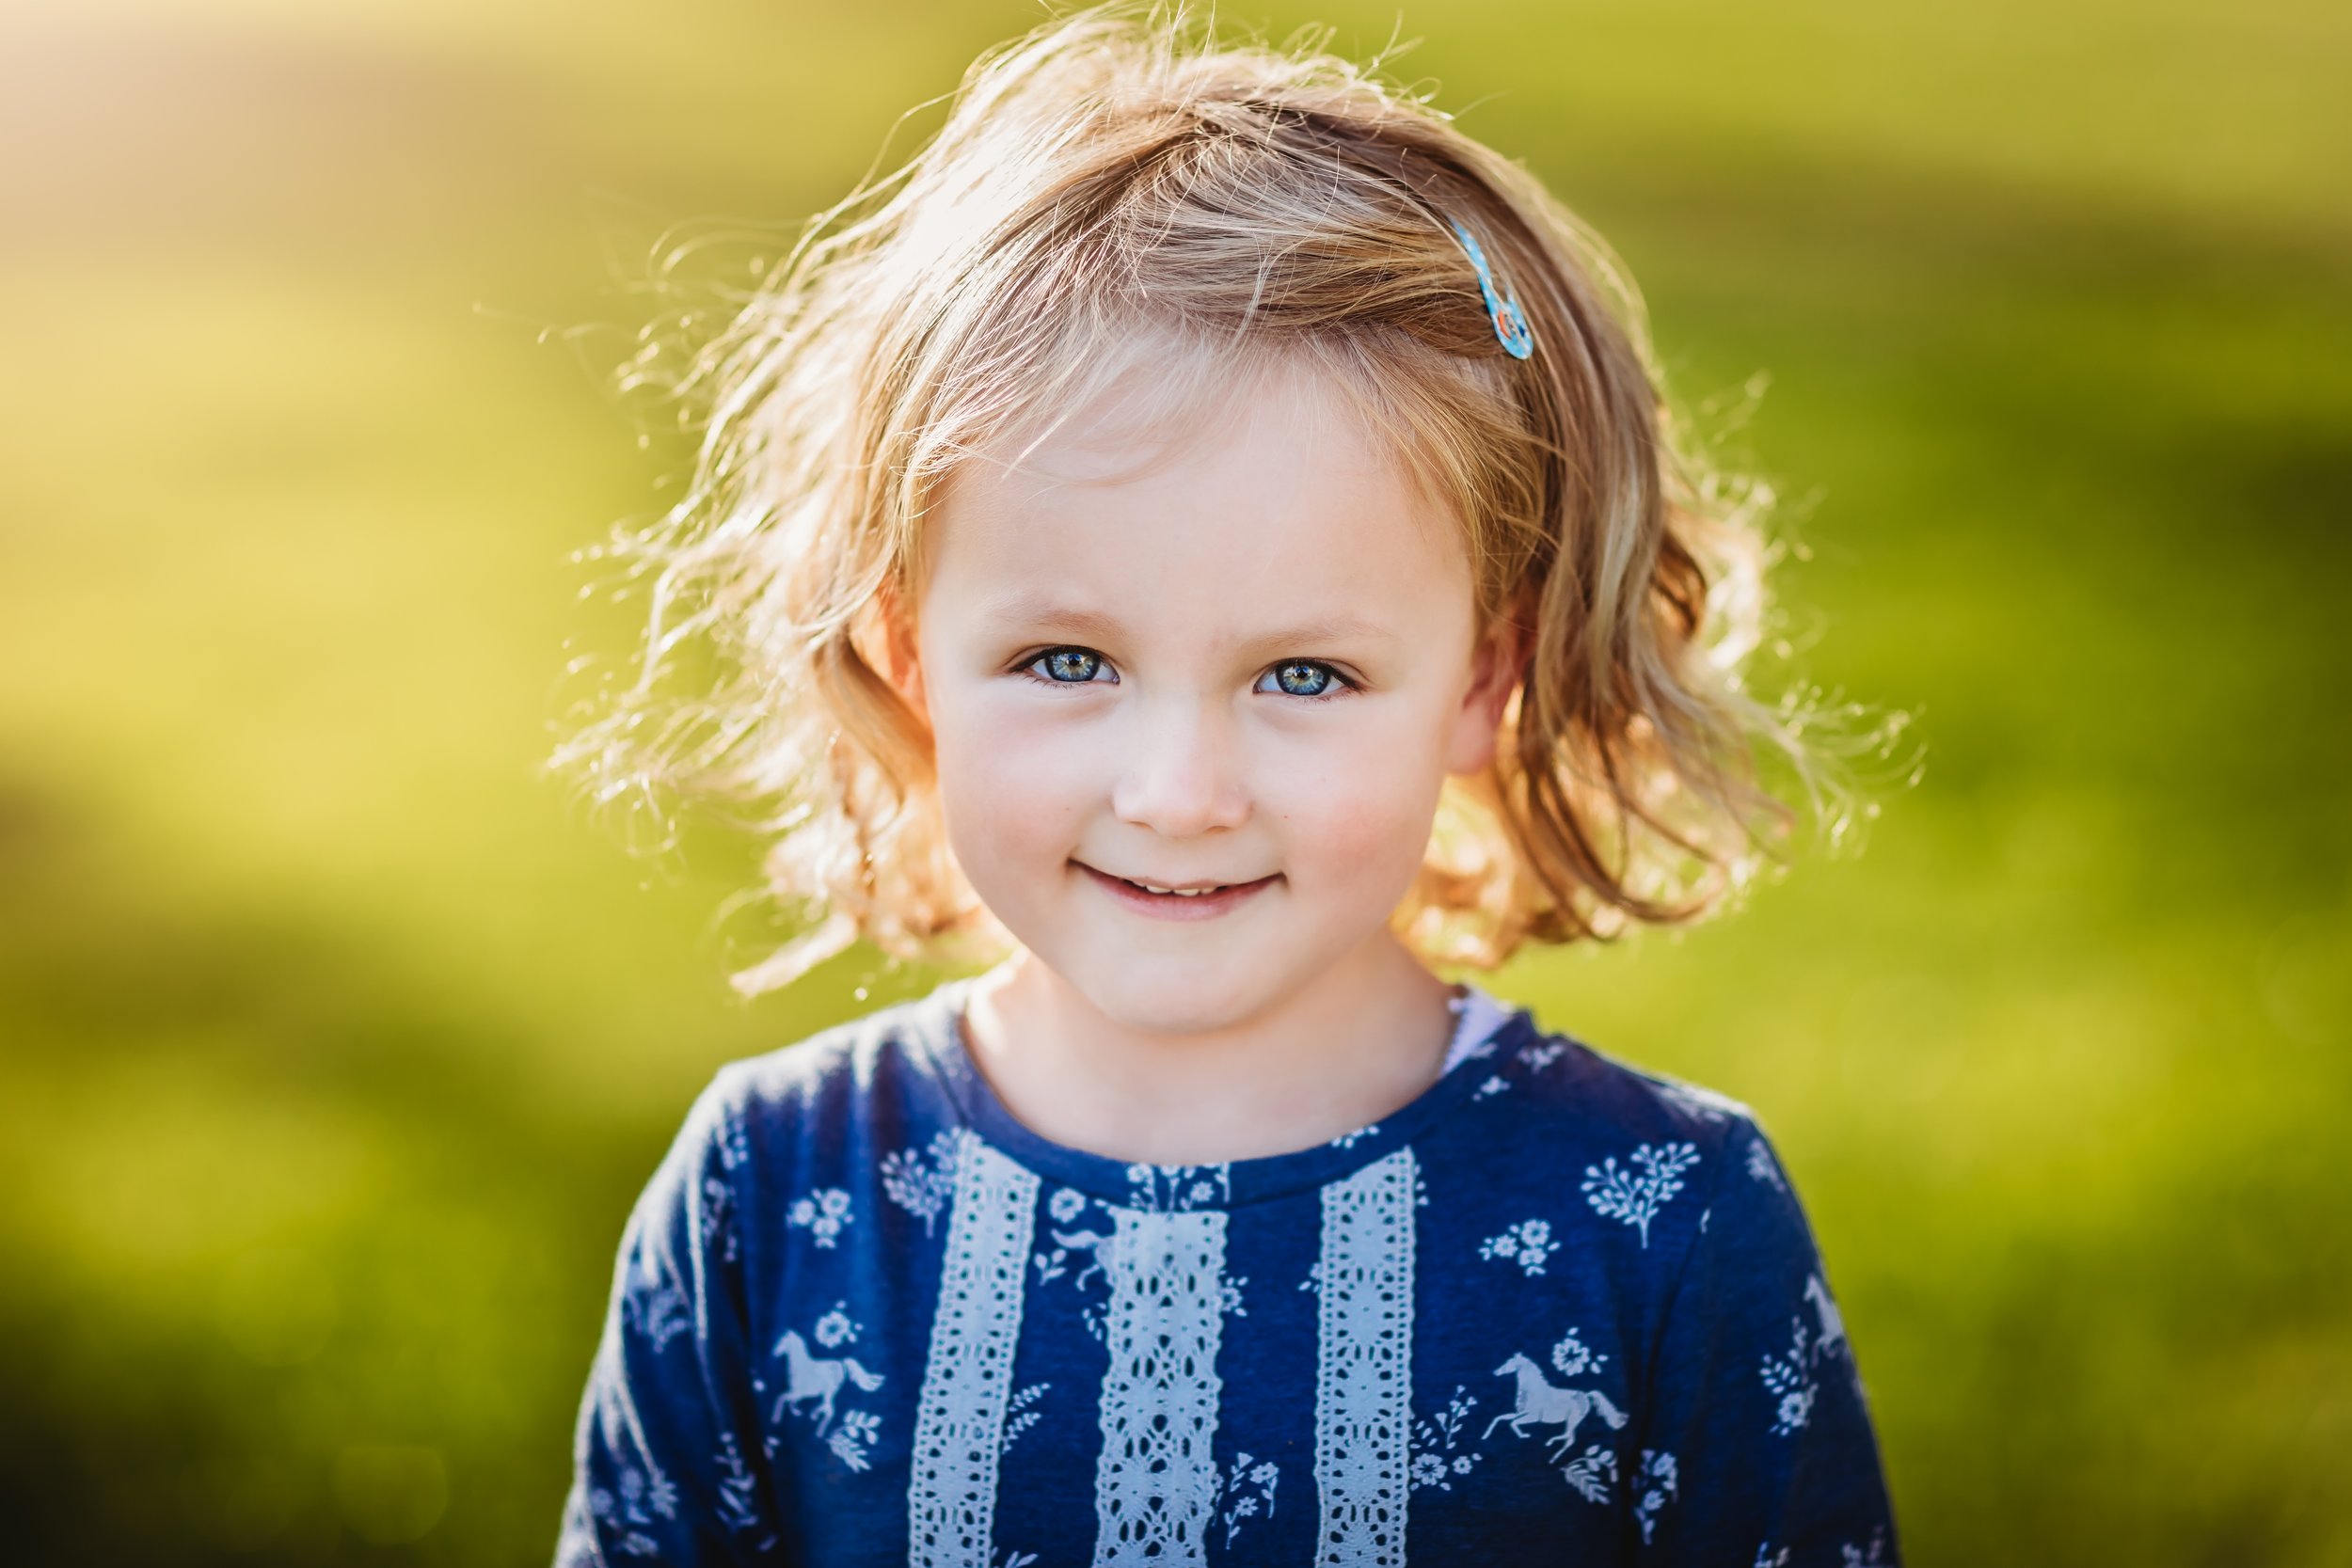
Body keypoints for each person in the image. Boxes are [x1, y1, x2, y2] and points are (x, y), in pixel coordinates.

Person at [549, 6, 1899, 1562]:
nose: (1179, 791)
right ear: (907, 654)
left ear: (1481, 679)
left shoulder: (1662, 1218)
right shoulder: (769, 1201)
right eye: (1067, 660)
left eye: (1303, 676)